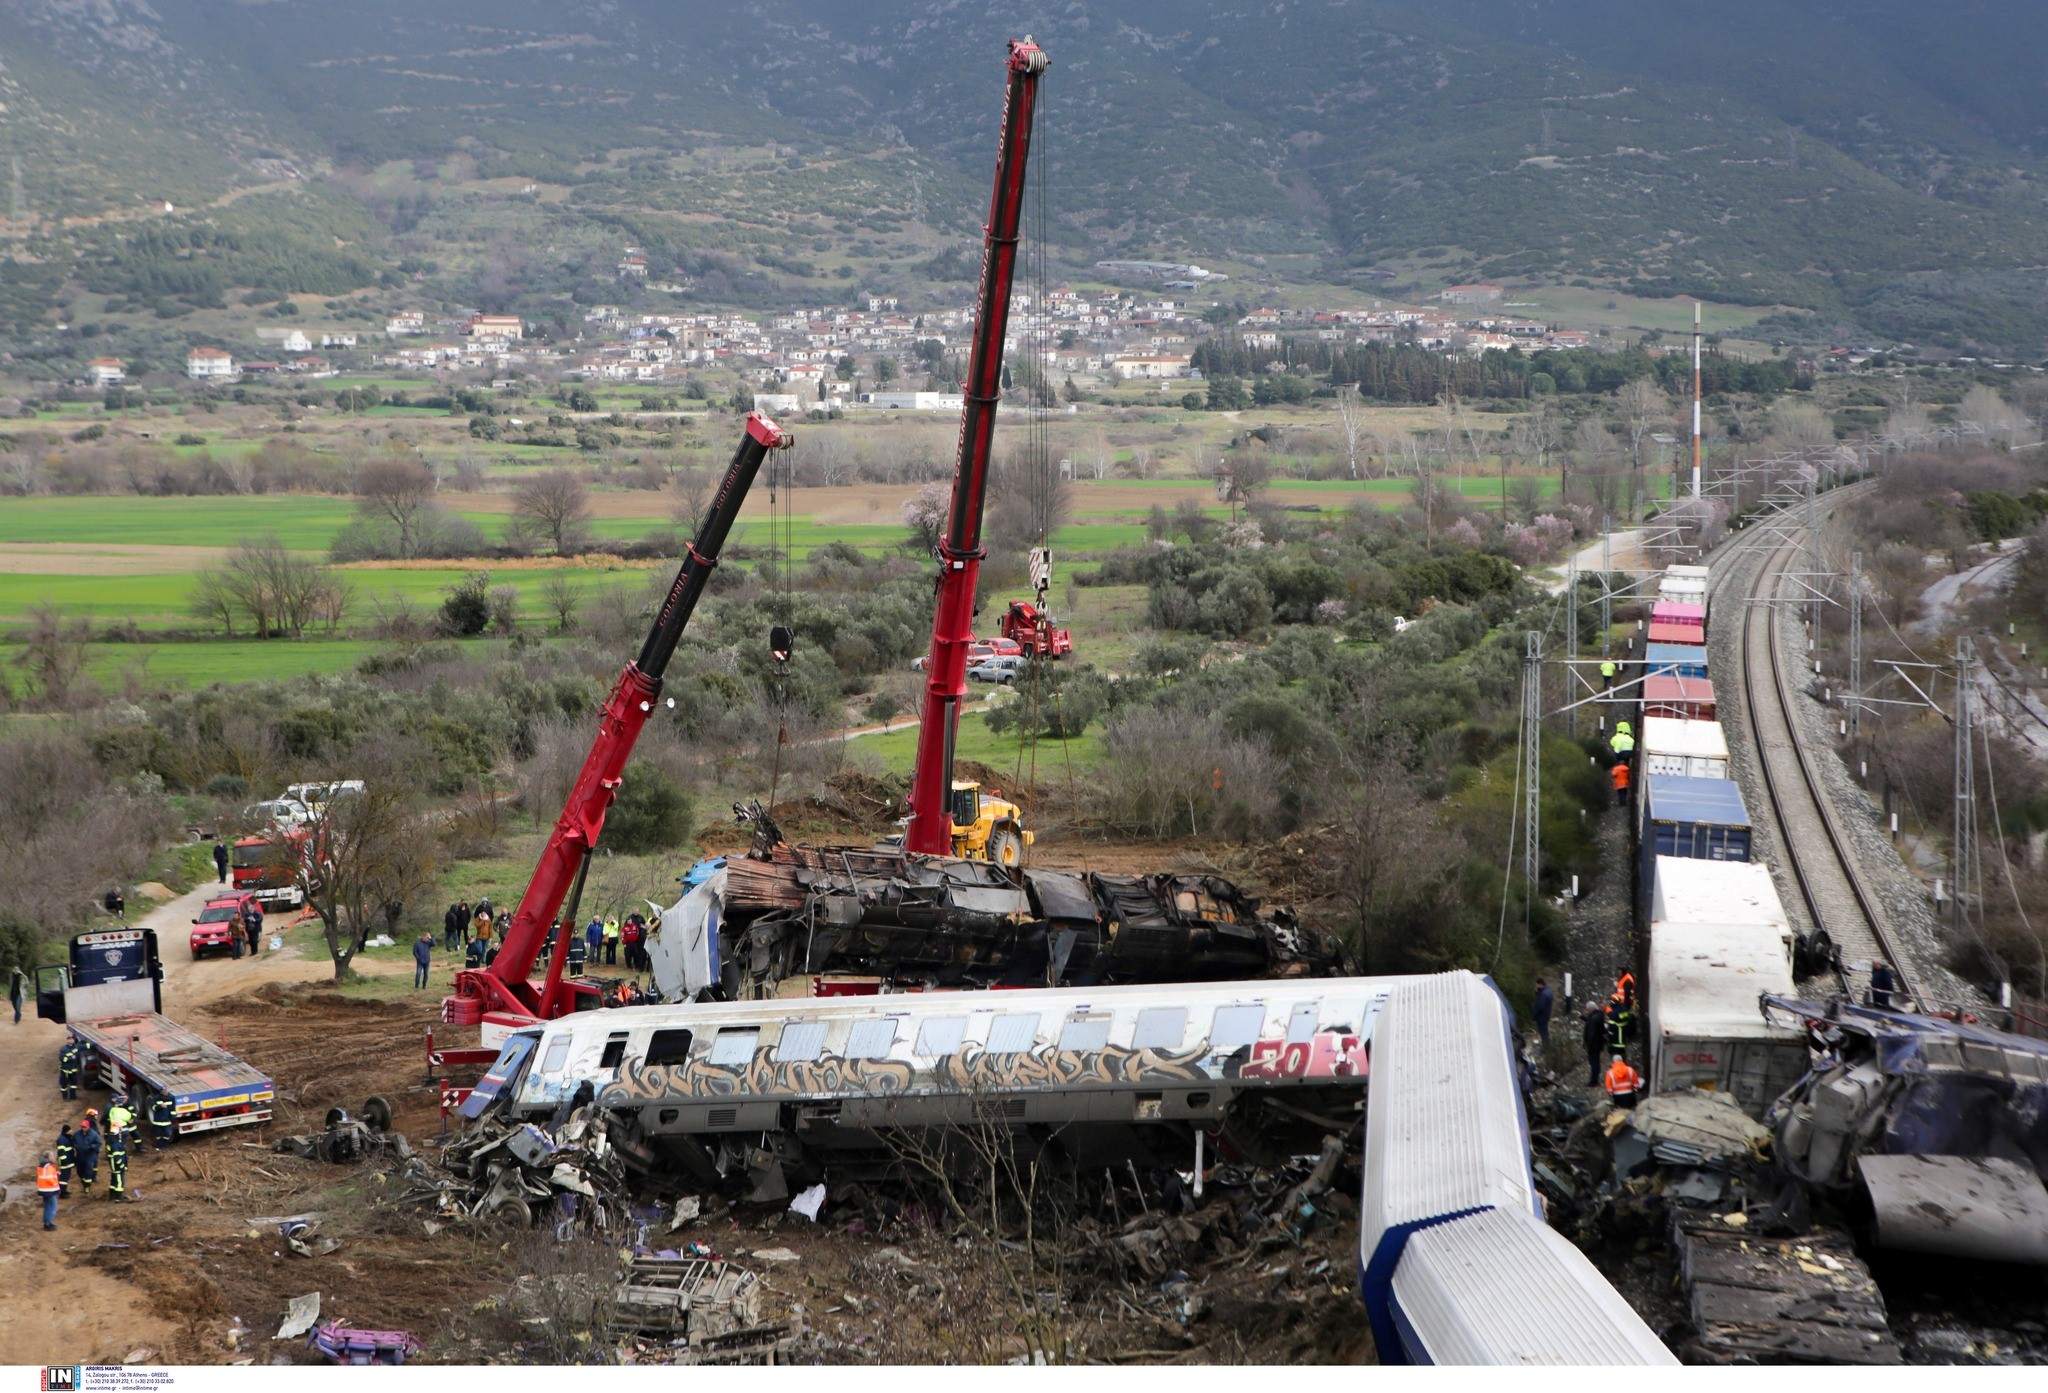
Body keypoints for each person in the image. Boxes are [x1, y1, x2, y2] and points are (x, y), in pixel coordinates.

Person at [74, 1112, 101, 1197]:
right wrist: (76, 1146)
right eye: (82, 1127)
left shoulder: (94, 1134)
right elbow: (73, 1140)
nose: (83, 1128)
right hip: (79, 1156)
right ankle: (84, 1184)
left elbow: (99, 1143)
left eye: (84, 1127)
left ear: (88, 1126)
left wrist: (91, 1147)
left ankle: (87, 1190)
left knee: (88, 1173)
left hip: (89, 1157)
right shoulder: (77, 1134)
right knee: (80, 1172)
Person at [106, 1124, 131, 1202]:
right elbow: (117, 1157)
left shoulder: (110, 1140)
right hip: (117, 1166)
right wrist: (122, 1165)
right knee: (120, 1181)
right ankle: (119, 1197)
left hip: (113, 1165)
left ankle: (112, 1196)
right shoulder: (115, 1144)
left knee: (113, 1180)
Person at [37, 1152, 61, 1230]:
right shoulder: (49, 1166)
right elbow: (49, 1178)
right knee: (53, 1206)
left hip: (44, 1189)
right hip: (50, 1189)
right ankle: (48, 1223)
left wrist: (55, 1173)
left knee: (47, 1206)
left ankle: (46, 1222)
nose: (54, 1157)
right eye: (53, 1156)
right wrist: (54, 1184)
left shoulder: (43, 1165)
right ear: (49, 1157)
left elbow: (44, 1175)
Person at [1532, 978, 1555, 1049]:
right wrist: (1537, 992)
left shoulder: (1543, 994)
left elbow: (1540, 1006)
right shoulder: (1548, 991)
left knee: (1543, 1033)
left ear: (1540, 984)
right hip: (1546, 1015)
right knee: (1545, 1032)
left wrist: (1534, 1015)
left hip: (1541, 1016)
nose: (1536, 986)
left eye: (1537, 985)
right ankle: (1547, 1046)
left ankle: (1546, 1048)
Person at [55, 1124, 75, 1197]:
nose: (71, 1131)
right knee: (64, 1177)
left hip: (68, 1161)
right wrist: (64, 1162)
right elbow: (61, 1152)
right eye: (70, 1130)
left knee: (66, 1176)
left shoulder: (67, 1138)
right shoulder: (62, 1139)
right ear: (67, 1131)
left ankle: (64, 1190)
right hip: (65, 1162)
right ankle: (62, 1192)